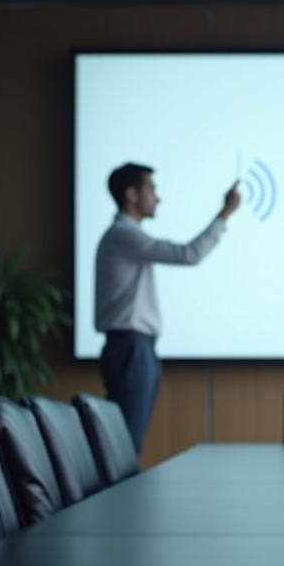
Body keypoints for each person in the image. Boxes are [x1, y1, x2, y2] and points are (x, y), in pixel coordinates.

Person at [95, 162, 241, 454]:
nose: (158, 197)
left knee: (127, 442)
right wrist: (224, 213)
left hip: (135, 347)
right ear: (132, 195)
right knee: (125, 446)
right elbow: (188, 254)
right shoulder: (124, 234)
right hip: (131, 347)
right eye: (152, 189)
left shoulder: (124, 235)